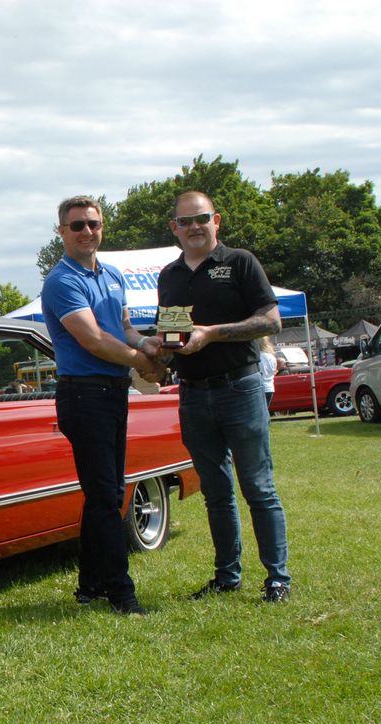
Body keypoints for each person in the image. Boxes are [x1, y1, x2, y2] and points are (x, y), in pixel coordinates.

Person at [157, 191, 290, 603]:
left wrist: (211, 333)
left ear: (217, 220)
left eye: (202, 218)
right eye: (186, 221)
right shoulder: (170, 276)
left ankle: (277, 579)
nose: (194, 226)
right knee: (215, 491)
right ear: (174, 228)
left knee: (258, 487)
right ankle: (227, 576)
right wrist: (155, 353)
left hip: (241, 387)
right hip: (193, 394)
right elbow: (174, 335)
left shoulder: (240, 262)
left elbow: (271, 320)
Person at [40, 195, 165, 616]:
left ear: (102, 226)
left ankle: (90, 584)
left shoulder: (112, 274)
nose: (86, 231)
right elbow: (92, 339)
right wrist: (142, 362)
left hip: (113, 393)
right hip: (83, 395)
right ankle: (121, 592)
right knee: (105, 495)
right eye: (77, 225)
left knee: (106, 494)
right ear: (62, 231)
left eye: (93, 224)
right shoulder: (61, 281)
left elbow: (123, 327)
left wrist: (147, 343)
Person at [258, 336, 278, 407]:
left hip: (260, 387)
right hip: (270, 387)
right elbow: (274, 371)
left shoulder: (257, 357)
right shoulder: (272, 357)